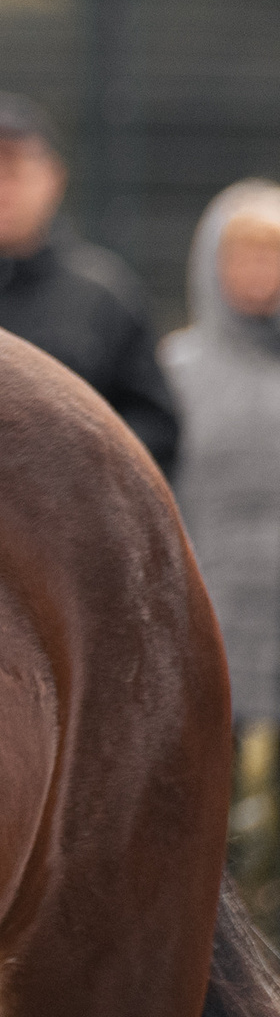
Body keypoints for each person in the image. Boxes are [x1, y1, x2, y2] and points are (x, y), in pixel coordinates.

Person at [0, 91, 179, 473]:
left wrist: (73, 469)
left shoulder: (105, 298)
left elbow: (155, 432)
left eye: (11, 173)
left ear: (54, 180)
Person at [164, 181, 280, 934]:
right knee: (208, 831)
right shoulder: (173, 373)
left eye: (275, 251)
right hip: (209, 622)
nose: (260, 269)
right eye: (245, 250)